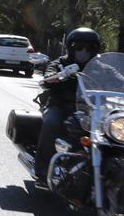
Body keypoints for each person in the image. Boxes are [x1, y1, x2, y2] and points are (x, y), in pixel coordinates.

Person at [34, 27, 104, 186]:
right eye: (79, 47)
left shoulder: (100, 67)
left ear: (95, 49)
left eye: (89, 47)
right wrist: (58, 76)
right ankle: (42, 169)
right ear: (71, 47)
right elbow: (48, 77)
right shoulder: (60, 63)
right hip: (61, 107)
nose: (84, 51)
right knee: (51, 122)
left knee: (116, 131)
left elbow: (119, 78)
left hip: (91, 110)